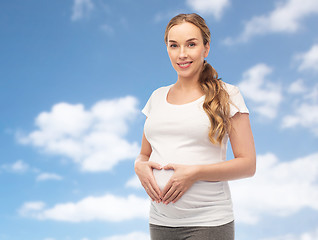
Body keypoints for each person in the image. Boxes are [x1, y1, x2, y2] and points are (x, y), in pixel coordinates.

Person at [134, 13, 256, 240]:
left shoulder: (227, 95)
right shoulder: (156, 97)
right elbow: (144, 154)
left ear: (206, 48)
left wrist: (194, 173)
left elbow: (248, 165)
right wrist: (138, 166)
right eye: (174, 45)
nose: (182, 54)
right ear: (167, 49)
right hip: (160, 221)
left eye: (191, 44)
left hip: (208, 223)